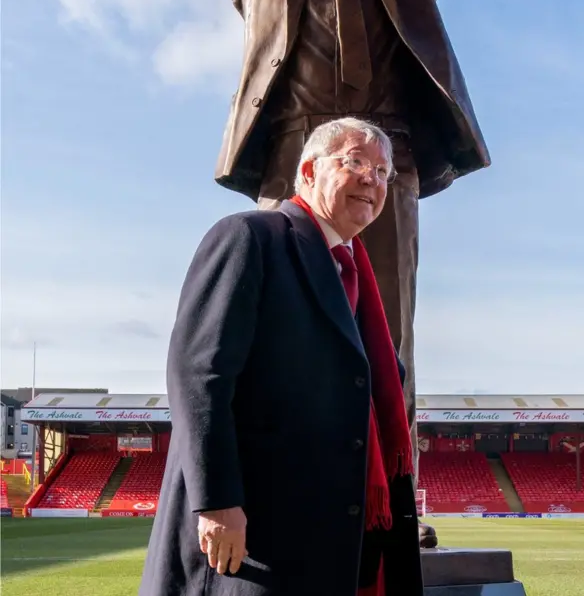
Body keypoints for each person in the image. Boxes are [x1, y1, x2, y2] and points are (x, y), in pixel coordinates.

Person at [60, 0, 584, 471]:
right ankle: (285, 489)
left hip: (387, 164)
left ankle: (394, 494)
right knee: (281, 330)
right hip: (294, 161)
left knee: (387, 340)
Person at [139, 118, 423, 596]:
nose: (372, 180)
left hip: (332, 542)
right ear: (310, 170)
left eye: (382, 171)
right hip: (257, 541)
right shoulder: (252, 237)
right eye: (355, 162)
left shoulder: (356, 278)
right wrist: (217, 502)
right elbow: (199, 374)